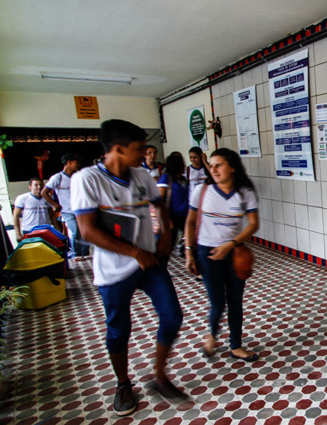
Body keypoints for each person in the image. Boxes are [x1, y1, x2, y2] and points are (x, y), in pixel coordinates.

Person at [71, 119, 185, 416]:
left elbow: (159, 205)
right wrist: (134, 252)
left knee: (172, 316)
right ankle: (123, 384)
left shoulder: (142, 176)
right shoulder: (87, 179)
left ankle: (160, 377)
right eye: (139, 148)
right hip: (113, 269)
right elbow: (87, 231)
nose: (145, 153)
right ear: (118, 148)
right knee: (119, 329)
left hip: (149, 262)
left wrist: (165, 235)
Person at [184, 148, 259, 361]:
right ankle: (212, 335)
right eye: (212, 165)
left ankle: (235, 346)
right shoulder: (202, 191)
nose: (213, 169)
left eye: (219, 165)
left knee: (235, 301)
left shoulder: (245, 193)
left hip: (234, 253)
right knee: (217, 302)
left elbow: (253, 224)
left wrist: (231, 244)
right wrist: (190, 253)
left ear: (232, 167)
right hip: (208, 253)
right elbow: (189, 222)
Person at [42, 153, 90, 260]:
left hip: (81, 211)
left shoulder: (77, 176)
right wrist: (55, 204)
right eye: (76, 163)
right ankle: (76, 254)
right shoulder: (57, 177)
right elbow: (44, 192)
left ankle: (85, 254)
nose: (78, 165)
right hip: (67, 211)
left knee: (85, 232)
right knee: (74, 232)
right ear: (69, 162)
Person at [157, 153, 189, 253]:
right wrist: (167, 219)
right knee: (168, 245)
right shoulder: (166, 178)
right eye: (181, 164)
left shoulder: (183, 179)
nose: (184, 166)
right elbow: (159, 200)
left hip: (185, 216)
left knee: (190, 242)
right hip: (172, 217)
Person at [13, 177, 57, 242]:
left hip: (46, 229)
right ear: (30, 186)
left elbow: (52, 215)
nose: (39, 187)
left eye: (41, 185)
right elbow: (15, 216)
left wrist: (57, 229)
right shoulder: (22, 198)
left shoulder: (48, 198)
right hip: (29, 230)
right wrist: (18, 233)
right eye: (36, 185)